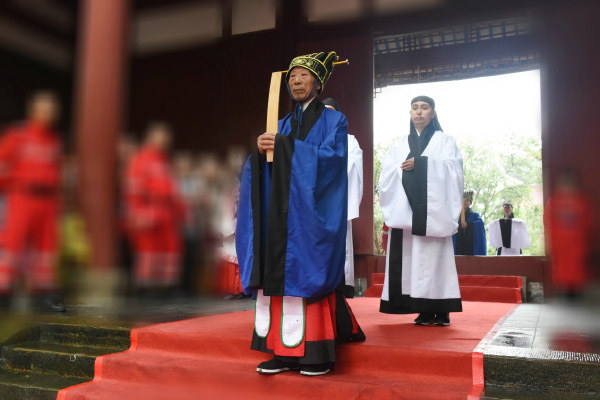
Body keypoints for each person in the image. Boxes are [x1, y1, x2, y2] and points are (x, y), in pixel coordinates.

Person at [236, 51, 365, 377]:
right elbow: (264, 167)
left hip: (308, 218)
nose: (296, 82)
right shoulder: (282, 124)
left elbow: (332, 161)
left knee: (305, 274)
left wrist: (285, 147)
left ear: (318, 83)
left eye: (303, 76)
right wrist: (260, 151)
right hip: (280, 216)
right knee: (277, 275)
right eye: (292, 77)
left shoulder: (334, 121)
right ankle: (281, 352)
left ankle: (316, 355)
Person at [378, 95, 463, 326]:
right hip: (406, 212)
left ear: (433, 114)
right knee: (410, 260)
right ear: (410, 113)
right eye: (414, 108)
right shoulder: (399, 144)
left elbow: (454, 170)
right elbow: (387, 172)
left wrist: (423, 165)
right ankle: (422, 309)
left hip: (433, 214)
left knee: (436, 259)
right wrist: (404, 168)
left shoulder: (445, 141)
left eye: (424, 108)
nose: (418, 112)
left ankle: (442, 310)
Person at [0, 91, 65, 312]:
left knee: (46, 246)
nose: (48, 114)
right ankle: (4, 291)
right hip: (22, 196)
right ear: (33, 110)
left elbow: (58, 169)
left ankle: (42, 293)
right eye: (44, 109)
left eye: (52, 110)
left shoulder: (54, 139)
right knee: (13, 243)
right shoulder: (17, 135)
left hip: (48, 200)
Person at [125, 122, 185, 295]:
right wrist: (138, 212)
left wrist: (179, 211)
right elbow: (133, 188)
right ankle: (146, 287)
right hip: (149, 210)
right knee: (148, 250)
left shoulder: (165, 161)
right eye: (161, 136)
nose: (165, 140)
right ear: (151, 137)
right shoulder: (140, 159)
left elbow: (174, 189)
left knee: (169, 249)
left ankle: (164, 287)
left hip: (166, 212)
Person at [321, 97, 363, 297]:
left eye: (331, 110)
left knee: (340, 244)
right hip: (316, 199)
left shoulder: (349, 140)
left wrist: (327, 169)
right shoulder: (310, 137)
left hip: (336, 198)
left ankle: (341, 285)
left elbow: (353, 165)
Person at [544, 169, 594, 298]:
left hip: (576, 244)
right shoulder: (553, 202)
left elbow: (588, 222)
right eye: (564, 183)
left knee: (576, 268)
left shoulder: (581, 201)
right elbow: (548, 223)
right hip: (560, 244)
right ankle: (564, 292)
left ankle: (575, 292)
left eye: (569, 183)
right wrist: (549, 242)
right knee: (561, 269)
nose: (567, 187)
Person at [453, 191, 486, 255]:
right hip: (458, 246)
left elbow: (480, 224)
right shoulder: (456, 216)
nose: (464, 203)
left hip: (471, 248)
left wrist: (468, 225)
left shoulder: (475, 215)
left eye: (467, 201)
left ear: (470, 203)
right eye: (463, 201)